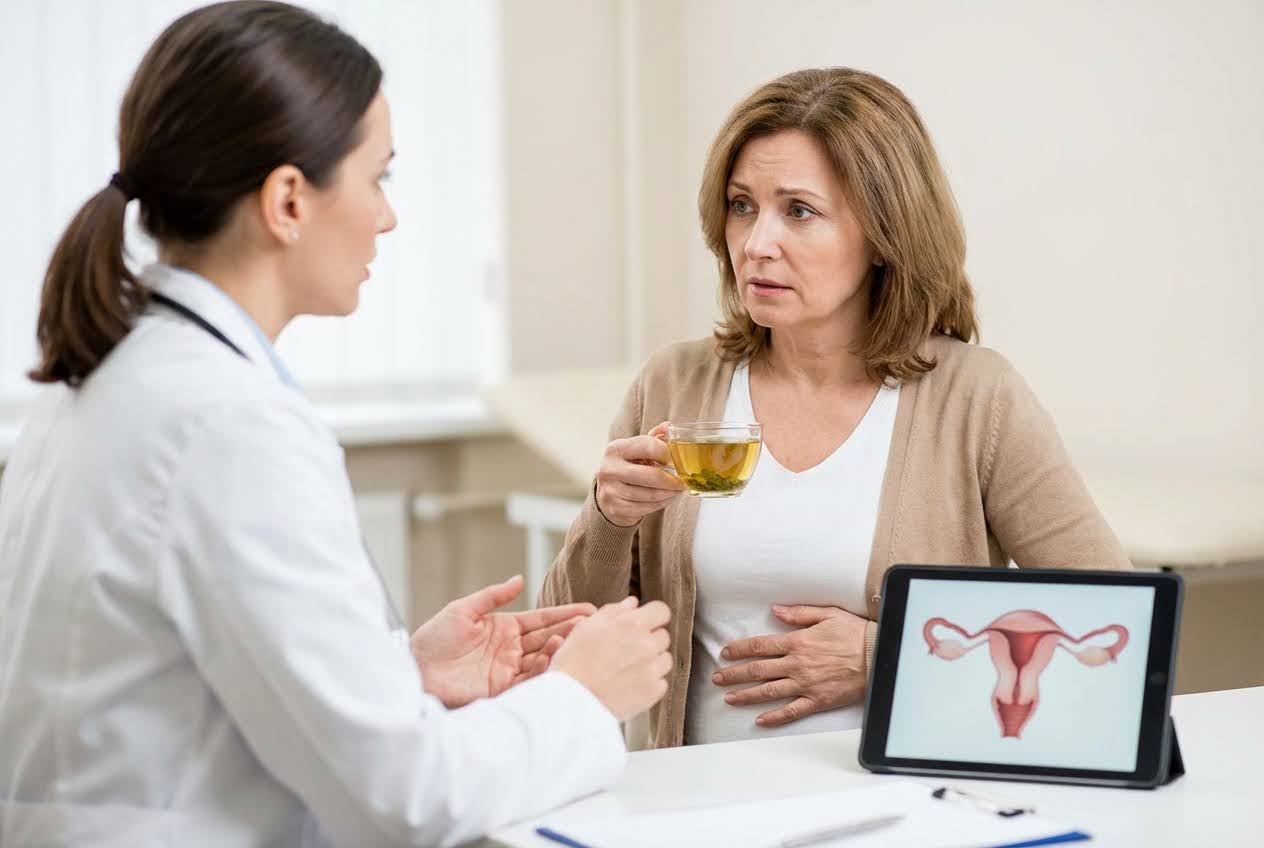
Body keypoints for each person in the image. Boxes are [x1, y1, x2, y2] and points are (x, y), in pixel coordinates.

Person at [0, 3, 671, 845]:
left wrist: (404, 674)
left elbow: (170, 676)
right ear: (288, 201)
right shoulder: (228, 425)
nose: (387, 216)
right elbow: (407, 798)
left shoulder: (100, 381)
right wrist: (581, 696)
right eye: (377, 178)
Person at [540, 67, 1130, 751]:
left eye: (799, 211)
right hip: (698, 805)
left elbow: (1113, 625)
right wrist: (609, 518)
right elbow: (561, 641)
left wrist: (885, 656)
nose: (758, 243)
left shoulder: (976, 399)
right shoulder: (674, 383)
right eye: (741, 206)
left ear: (884, 235)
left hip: (909, 805)